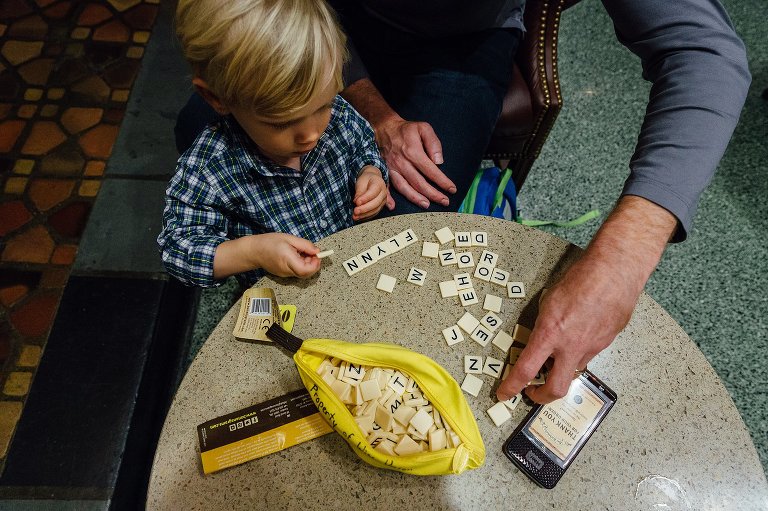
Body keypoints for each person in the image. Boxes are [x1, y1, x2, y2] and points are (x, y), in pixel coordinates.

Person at [173, 0, 750, 404]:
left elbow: (704, 52)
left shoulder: (332, 118)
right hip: (320, 24)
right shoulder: (213, 158)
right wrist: (368, 110)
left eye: (321, 111)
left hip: (459, 43)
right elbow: (184, 247)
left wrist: (623, 257)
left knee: (406, 232)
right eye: (288, 120)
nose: (312, 134)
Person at [158, 0, 388, 288]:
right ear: (216, 99)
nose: (311, 134)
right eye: (281, 123)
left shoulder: (339, 114)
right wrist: (252, 252)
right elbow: (177, 250)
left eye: (323, 106)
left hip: (350, 271)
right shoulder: (209, 168)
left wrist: (370, 172)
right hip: (280, 295)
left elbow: (364, 144)